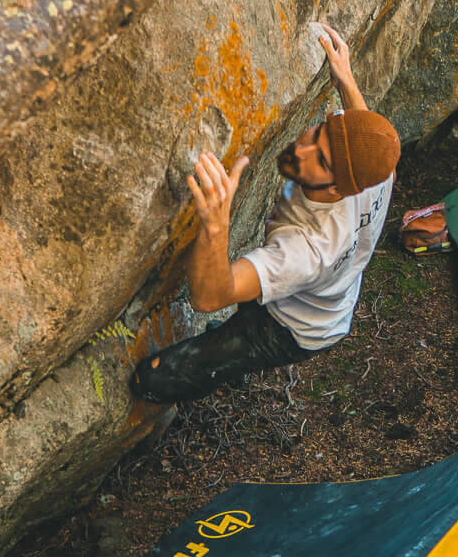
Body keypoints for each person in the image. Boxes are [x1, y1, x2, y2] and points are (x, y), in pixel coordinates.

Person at [132, 25, 401, 404]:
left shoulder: (308, 249)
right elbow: (365, 131)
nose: (301, 151)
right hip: (329, 296)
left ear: (341, 189)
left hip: (294, 327)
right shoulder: (377, 163)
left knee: (156, 378)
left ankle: (211, 372)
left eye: (320, 161)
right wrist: (346, 78)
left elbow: (209, 296)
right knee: (251, 297)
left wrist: (215, 224)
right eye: (318, 133)